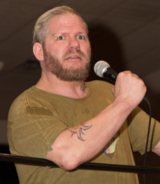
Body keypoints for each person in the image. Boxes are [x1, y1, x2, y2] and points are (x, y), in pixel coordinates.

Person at [7, 6, 160, 184]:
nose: (75, 44)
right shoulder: (28, 106)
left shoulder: (107, 92)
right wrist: (124, 103)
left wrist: (121, 101)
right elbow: (69, 156)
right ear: (39, 51)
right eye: (61, 37)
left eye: (80, 37)